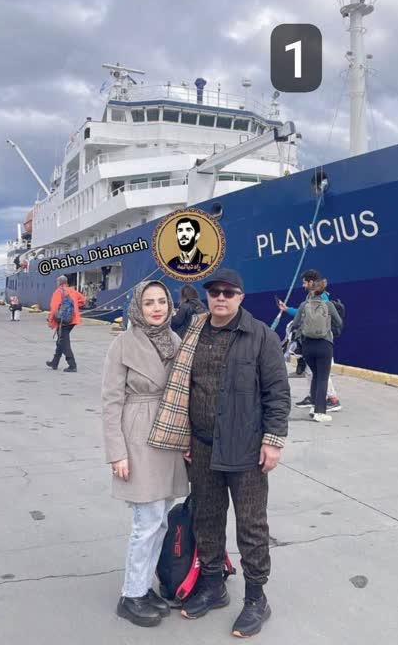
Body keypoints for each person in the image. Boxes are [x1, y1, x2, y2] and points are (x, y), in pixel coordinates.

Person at [148, 267, 291, 638]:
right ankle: (213, 585)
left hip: (245, 449)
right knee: (206, 519)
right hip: (202, 447)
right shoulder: (194, 333)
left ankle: (256, 598)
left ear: (241, 297)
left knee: (251, 526)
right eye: (215, 292)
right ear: (208, 296)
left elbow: (277, 393)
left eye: (229, 292)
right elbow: (183, 387)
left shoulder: (261, 336)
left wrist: (273, 440)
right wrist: (185, 437)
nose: (221, 298)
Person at [101, 280, 189, 628]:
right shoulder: (122, 344)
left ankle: (144, 586)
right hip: (138, 436)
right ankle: (131, 595)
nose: (156, 308)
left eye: (162, 301)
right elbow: (111, 401)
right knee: (147, 521)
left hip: (169, 434)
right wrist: (117, 453)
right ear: (138, 307)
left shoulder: (175, 341)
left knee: (161, 519)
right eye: (149, 302)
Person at [277, 269, 342, 412]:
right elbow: (304, 313)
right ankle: (313, 397)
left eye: (304, 282)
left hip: (320, 339)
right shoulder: (311, 298)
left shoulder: (321, 299)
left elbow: (304, 316)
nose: (303, 285)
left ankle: (332, 399)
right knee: (311, 371)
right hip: (315, 340)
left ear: (311, 282)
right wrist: (287, 309)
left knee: (320, 372)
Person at [291, 278, 343, 423]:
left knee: (315, 375)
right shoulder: (329, 305)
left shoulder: (303, 305)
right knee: (322, 378)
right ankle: (320, 412)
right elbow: (339, 322)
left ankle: (314, 407)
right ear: (323, 291)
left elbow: (295, 324)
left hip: (308, 346)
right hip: (324, 345)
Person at [46, 276, 85, 373]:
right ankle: (54, 362)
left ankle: (72, 365)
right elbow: (83, 301)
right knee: (61, 340)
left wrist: (51, 321)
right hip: (72, 319)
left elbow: (54, 308)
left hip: (63, 321)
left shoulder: (58, 292)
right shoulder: (73, 291)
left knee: (64, 342)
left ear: (59, 282)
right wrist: (73, 307)